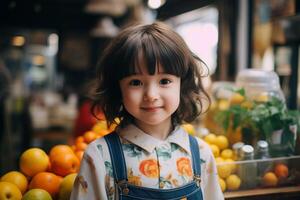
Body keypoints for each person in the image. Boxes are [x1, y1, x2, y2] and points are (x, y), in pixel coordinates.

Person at [71, 22, 223, 200]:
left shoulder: (202, 153)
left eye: (164, 81)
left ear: (182, 84)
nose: (151, 95)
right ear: (118, 88)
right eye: (136, 82)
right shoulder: (99, 156)